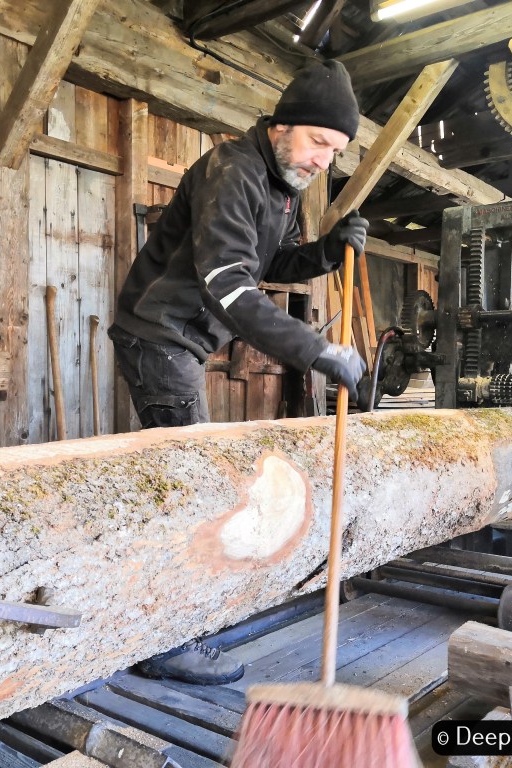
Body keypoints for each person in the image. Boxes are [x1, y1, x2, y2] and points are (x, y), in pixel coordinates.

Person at [108, 60, 368, 685]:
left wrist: (327, 253)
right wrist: (315, 350)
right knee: (190, 492)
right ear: (282, 126)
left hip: (180, 343)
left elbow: (269, 260)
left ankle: (166, 627)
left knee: (181, 484)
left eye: (334, 153)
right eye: (317, 143)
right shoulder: (233, 170)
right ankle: (166, 643)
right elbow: (227, 283)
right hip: (160, 338)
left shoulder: (278, 187)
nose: (322, 162)